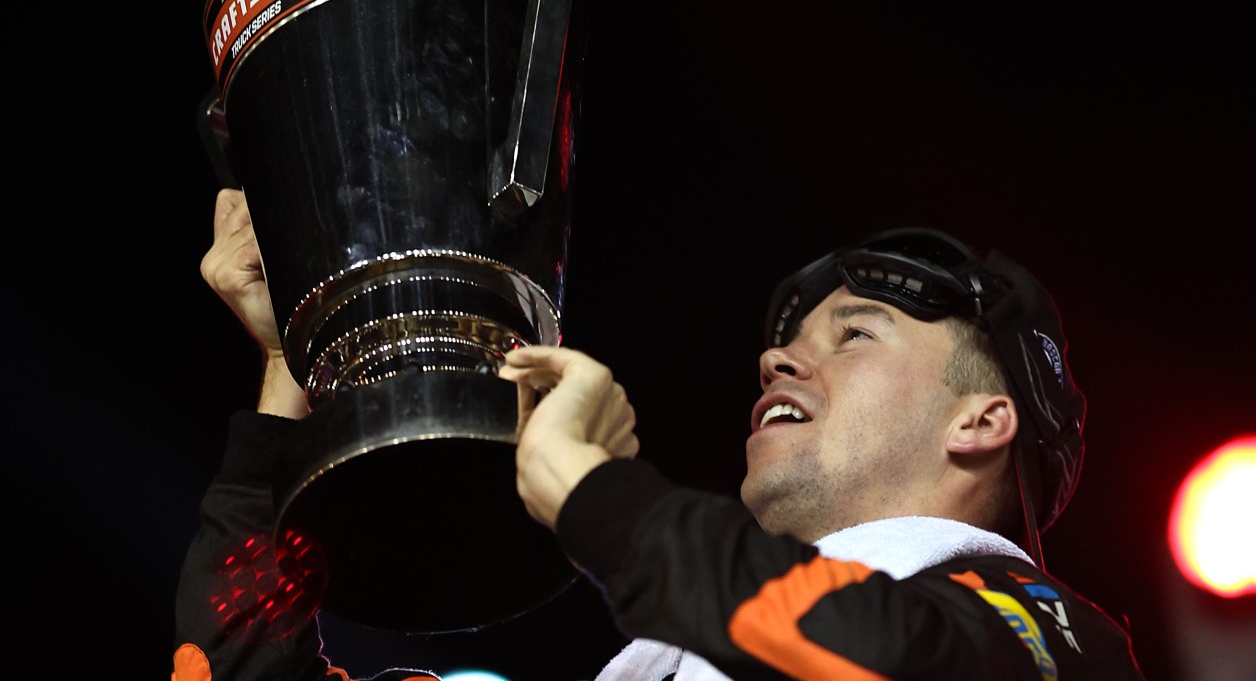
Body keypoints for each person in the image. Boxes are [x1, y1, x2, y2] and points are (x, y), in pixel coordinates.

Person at [172, 188, 1147, 680]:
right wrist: (292, 380)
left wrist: (598, 496)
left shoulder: (1057, 645)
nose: (775, 362)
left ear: (982, 422)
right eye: (784, 344)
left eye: (854, 335)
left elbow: (873, 660)